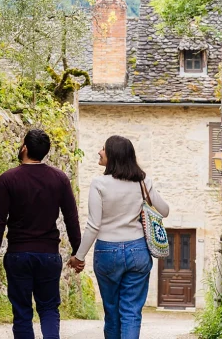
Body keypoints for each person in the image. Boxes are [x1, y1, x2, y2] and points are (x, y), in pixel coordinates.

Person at [0, 129, 83, 339]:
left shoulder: (8, 179)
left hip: (18, 255)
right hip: (48, 255)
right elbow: (71, 218)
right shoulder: (59, 179)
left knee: (21, 313)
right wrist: (78, 251)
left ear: (25, 148)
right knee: (48, 309)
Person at [68, 135, 169, 339]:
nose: (99, 151)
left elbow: (93, 226)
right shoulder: (142, 181)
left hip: (107, 252)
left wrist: (79, 257)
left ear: (113, 155)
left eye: (103, 149)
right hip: (138, 251)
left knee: (112, 312)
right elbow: (164, 211)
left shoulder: (99, 184)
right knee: (131, 312)